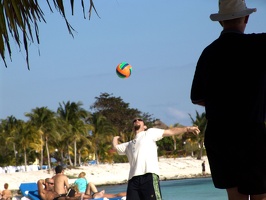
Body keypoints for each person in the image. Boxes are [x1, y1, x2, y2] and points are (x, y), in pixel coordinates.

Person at [190, 0, 266, 199]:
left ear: (220, 22)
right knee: (260, 194)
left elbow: (197, 98)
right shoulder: (258, 45)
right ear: (247, 18)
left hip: (220, 136)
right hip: (251, 132)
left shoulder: (208, 53)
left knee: (235, 196)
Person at [112, 117, 200, 200]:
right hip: (133, 180)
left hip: (149, 176)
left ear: (145, 126)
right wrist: (115, 138)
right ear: (133, 127)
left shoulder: (149, 133)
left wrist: (188, 129)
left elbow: (170, 131)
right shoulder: (128, 145)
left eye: (140, 119)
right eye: (134, 121)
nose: (137, 121)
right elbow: (116, 148)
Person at [37, 178, 126, 200]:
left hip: (64, 196)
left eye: (54, 183)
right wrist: (43, 181)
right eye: (51, 183)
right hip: (59, 199)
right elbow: (39, 181)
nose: (53, 185)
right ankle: (90, 197)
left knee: (113, 195)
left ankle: (94, 195)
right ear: (46, 184)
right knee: (68, 198)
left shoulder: (52, 190)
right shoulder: (43, 193)